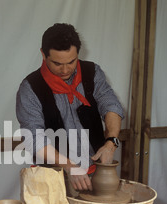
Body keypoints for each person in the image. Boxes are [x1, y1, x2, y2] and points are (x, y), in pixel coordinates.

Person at [16, 23, 124, 192]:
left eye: (71, 62)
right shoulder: (30, 88)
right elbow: (33, 138)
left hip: (93, 173)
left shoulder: (92, 72)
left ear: (78, 53)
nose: (65, 70)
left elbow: (111, 105)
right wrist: (69, 166)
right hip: (51, 178)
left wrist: (111, 142)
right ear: (43, 54)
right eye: (57, 63)